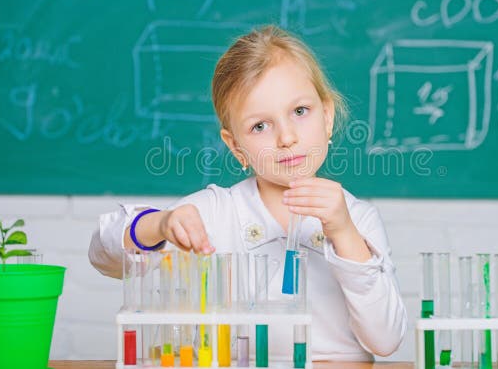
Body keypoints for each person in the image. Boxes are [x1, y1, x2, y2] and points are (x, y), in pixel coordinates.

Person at [89, 25, 407, 361]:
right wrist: (159, 225)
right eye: (260, 126)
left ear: (327, 117)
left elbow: (385, 340)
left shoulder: (357, 219)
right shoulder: (214, 212)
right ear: (236, 146)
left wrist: (344, 234)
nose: (286, 138)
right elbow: (103, 255)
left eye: (300, 111)